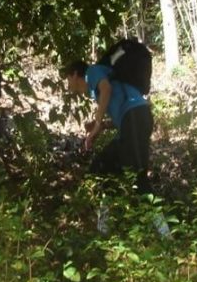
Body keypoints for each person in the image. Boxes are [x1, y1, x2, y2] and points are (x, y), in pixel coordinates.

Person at [65, 59, 168, 236]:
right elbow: (122, 114)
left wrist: (97, 122)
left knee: (139, 178)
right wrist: (102, 126)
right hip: (135, 120)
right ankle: (103, 228)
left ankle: (166, 234)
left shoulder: (93, 72)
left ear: (75, 74)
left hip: (136, 118)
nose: (68, 84)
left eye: (67, 78)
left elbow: (107, 89)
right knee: (102, 169)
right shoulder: (97, 84)